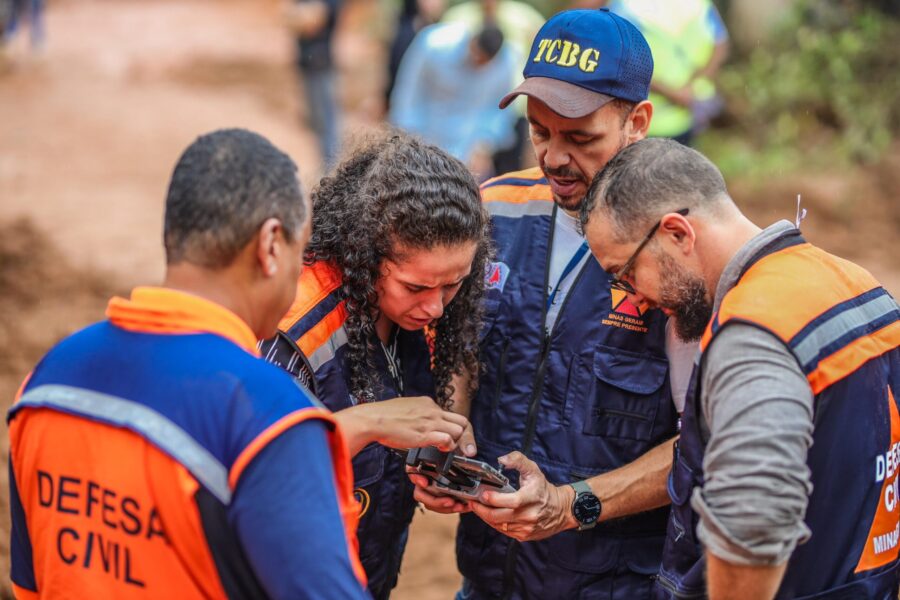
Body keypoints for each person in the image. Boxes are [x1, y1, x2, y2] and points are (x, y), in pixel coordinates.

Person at [409, 8, 697, 599]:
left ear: (638, 121)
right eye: (540, 131)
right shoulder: (493, 211)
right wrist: (447, 436)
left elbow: (705, 439)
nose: (554, 158)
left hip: (618, 586)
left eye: (581, 138)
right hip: (487, 577)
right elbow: (463, 351)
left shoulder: (684, 249)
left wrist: (573, 505)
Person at [7, 129, 369, 598]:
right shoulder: (270, 415)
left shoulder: (48, 381)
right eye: (302, 255)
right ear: (271, 246)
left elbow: (30, 584)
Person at [579, 137, 900, 599]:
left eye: (626, 273)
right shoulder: (857, 284)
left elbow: (752, 516)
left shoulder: (753, 327)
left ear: (677, 234)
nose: (633, 299)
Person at [260, 132, 491, 599]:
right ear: (364, 253)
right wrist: (369, 424)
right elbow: (254, 469)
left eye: (453, 285)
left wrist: (430, 459)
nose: (437, 308)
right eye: (416, 287)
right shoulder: (292, 331)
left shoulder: (417, 313)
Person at [389, 22, 518, 182]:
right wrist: (408, 143)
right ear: (472, 41)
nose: (477, 63)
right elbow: (408, 96)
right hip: (424, 144)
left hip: (468, 156)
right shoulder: (434, 45)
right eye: (476, 57)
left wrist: (485, 145)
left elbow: (500, 110)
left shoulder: (506, 64)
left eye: (483, 63)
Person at [441, 0, 546, 172]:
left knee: (506, 168)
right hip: (464, 107)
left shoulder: (524, 18)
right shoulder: (458, 18)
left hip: (514, 106)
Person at [607, 0, 729, 145]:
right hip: (686, 110)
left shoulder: (625, 6)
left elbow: (617, 58)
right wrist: (694, 85)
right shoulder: (700, 4)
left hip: (643, 118)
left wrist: (676, 93)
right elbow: (721, 45)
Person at [284, 0, 342, 168]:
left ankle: (332, 170)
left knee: (327, 124)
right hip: (308, 65)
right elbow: (290, 17)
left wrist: (298, 16)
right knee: (316, 123)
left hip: (321, 66)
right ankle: (327, 168)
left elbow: (309, 22)